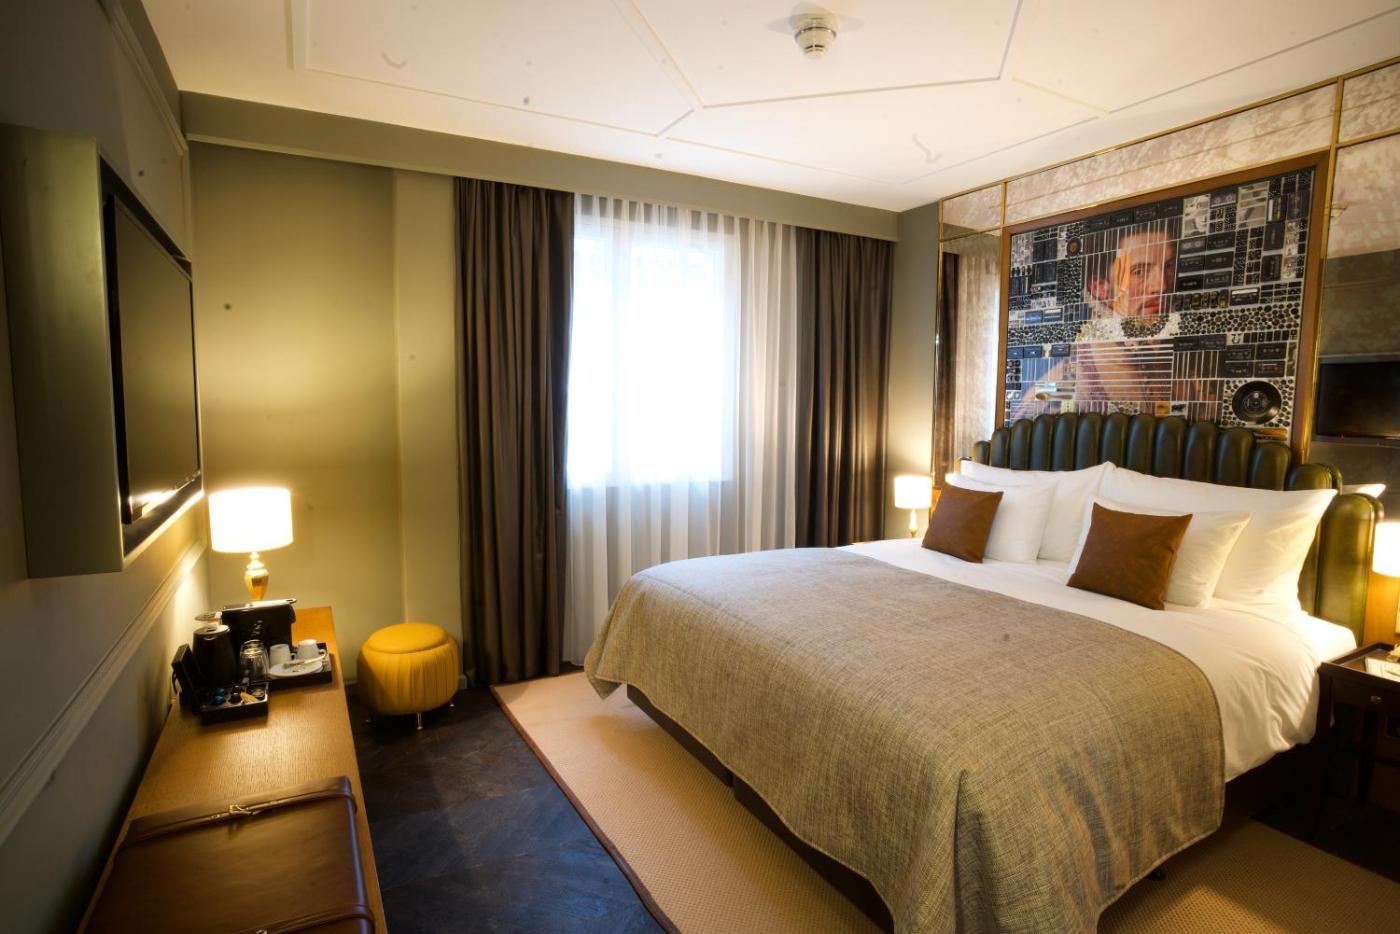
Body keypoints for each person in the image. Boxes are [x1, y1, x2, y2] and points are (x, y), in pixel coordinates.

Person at [1009, 220, 1180, 421]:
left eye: (1168, 266)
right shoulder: (1061, 389)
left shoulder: (1176, 373)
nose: (1161, 286)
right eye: (1139, 272)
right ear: (1099, 286)